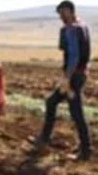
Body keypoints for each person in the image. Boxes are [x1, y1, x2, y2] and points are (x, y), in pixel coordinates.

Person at [34, 0, 92, 160]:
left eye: (62, 13)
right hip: (79, 74)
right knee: (52, 102)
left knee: (76, 111)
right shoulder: (82, 26)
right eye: (59, 13)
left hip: (73, 76)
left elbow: (74, 56)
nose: (60, 16)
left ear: (69, 11)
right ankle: (44, 139)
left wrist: (67, 79)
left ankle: (86, 151)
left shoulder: (72, 29)